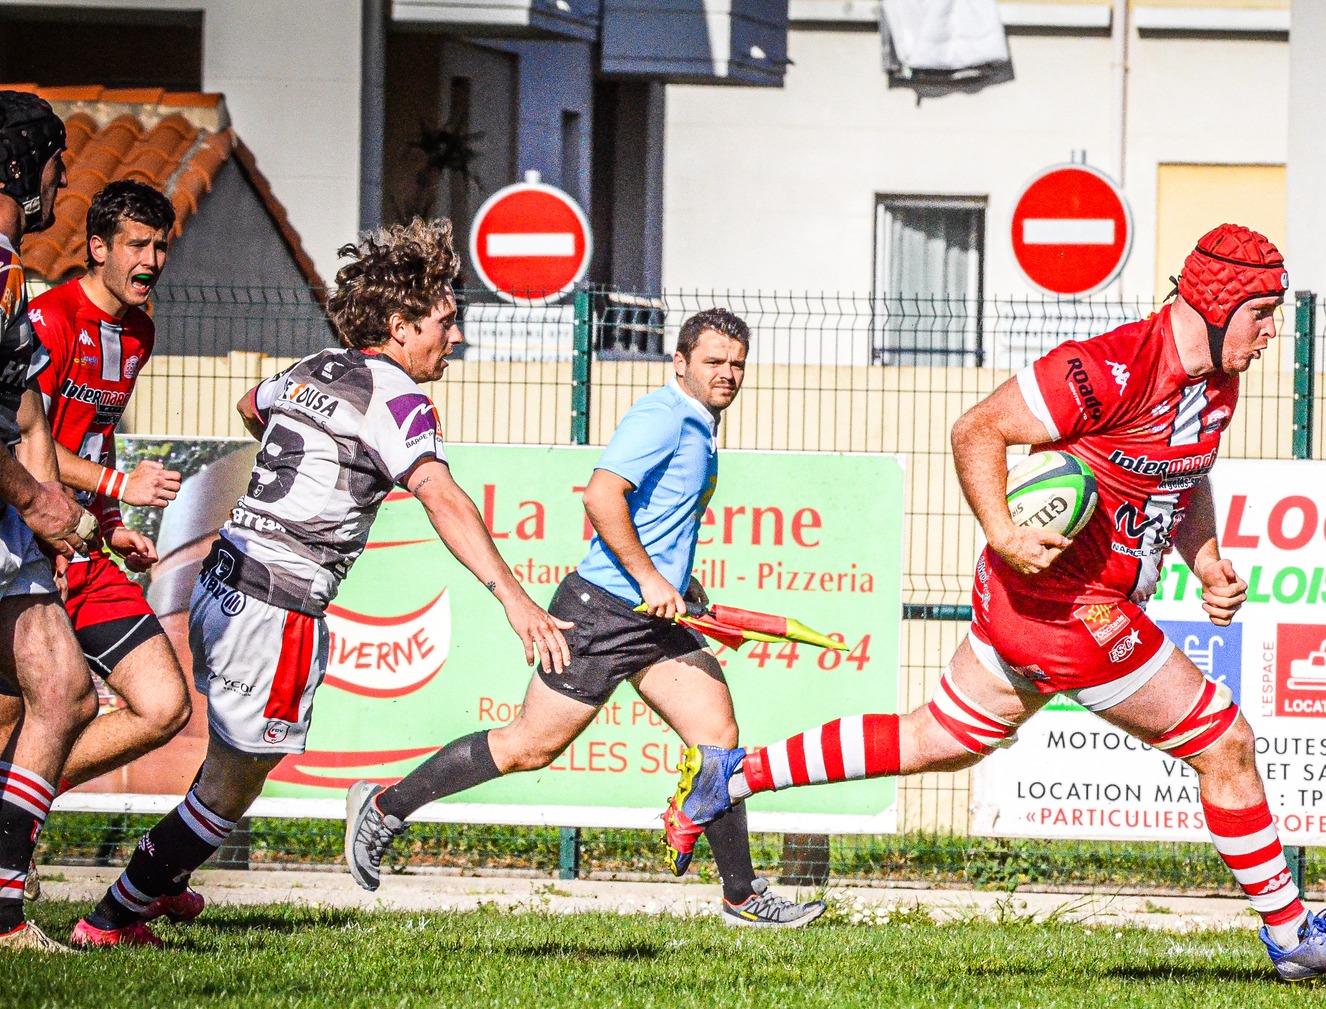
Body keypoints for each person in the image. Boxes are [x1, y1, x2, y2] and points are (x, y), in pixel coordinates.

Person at [664, 226, 1326, 981]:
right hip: (1069, 611)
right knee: (1225, 742)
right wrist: (1003, 530)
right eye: (1262, 312)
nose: (1272, 331)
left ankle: (732, 775)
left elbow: (1183, 473)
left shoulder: (1217, 382)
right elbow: (977, 430)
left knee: (939, 738)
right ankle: (1293, 936)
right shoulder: (1106, 366)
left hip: (1040, 605)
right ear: (1217, 305)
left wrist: (1206, 558)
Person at [69, 218, 572, 947]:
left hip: (221, 581)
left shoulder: (315, 366)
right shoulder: (397, 396)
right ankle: (116, 914)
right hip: (277, 607)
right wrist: (513, 596)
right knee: (235, 785)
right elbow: (440, 493)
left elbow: (251, 404)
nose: (454, 338)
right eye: (445, 321)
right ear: (400, 325)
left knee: (226, 766)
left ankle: (165, 878)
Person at [344, 309, 819, 929]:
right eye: (713, 362)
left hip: (651, 618)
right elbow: (600, 495)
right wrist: (650, 578)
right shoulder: (662, 416)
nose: (727, 373)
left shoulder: (698, 424)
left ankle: (742, 895)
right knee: (525, 748)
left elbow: (659, 520)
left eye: (736, 364)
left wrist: (676, 581)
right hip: (601, 615)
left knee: (718, 744)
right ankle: (384, 806)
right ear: (680, 363)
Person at [0, 183, 190, 813]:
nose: (152, 259)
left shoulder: (138, 333)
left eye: (160, 246)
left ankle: (11, 794)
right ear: (97, 247)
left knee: (165, 705)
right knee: (17, 717)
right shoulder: (49, 319)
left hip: (83, 546)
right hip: (27, 549)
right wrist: (116, 488)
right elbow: (34, 442)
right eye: (138, 244)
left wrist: (110, 524)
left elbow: (96, 437)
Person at [0, 92, 99, 953]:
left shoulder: (11, 274)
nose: (62, 183)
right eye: (54, 162)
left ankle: (3, 922)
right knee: (61, 688)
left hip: (11, 530)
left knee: (62, 688)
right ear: (20, 164)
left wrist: (57, 521)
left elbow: (28, 416)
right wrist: (36, 500)